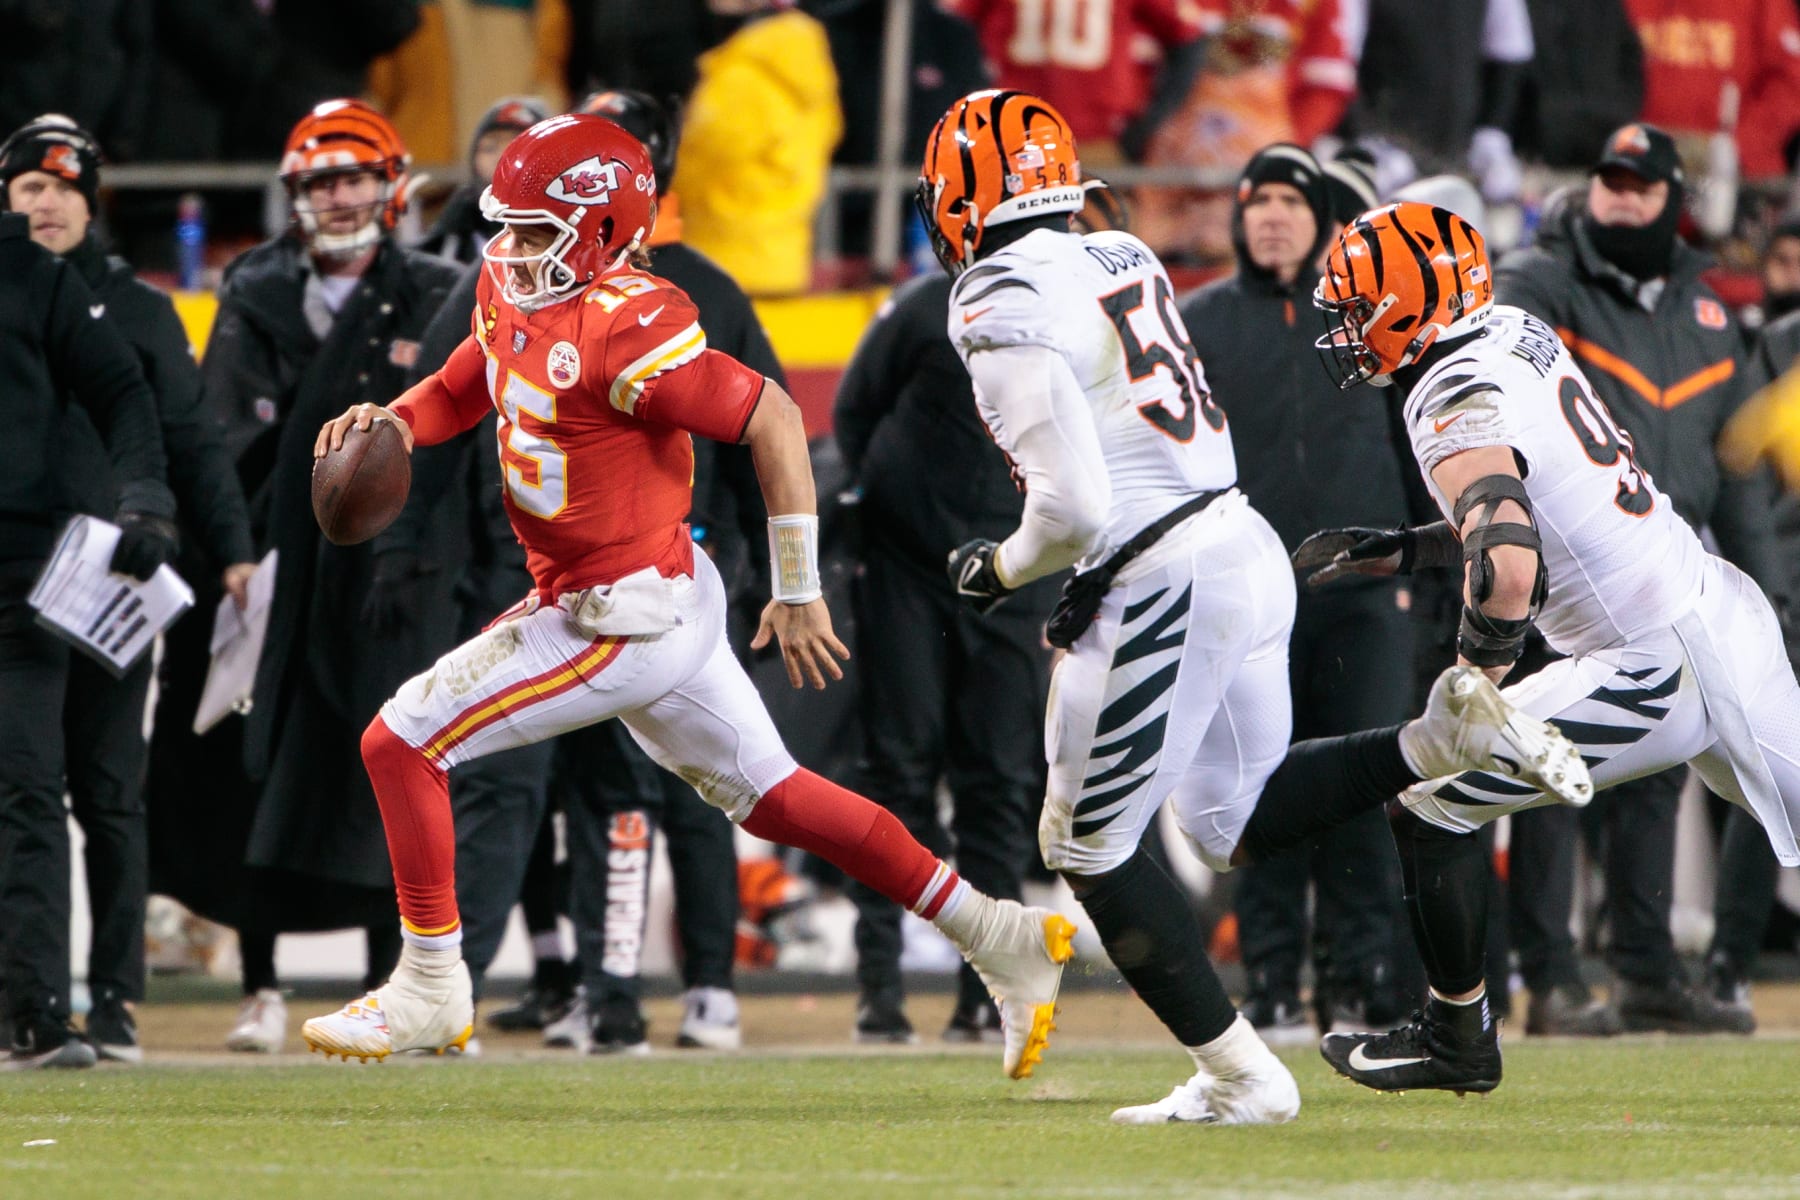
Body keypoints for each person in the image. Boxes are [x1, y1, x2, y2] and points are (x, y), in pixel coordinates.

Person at [300, 113, 1077, 1083]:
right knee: (780, 799)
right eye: (509, 226)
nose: (509, 247)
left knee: (402, 738)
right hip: (635, 594)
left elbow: (777, 418)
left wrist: (798, 588)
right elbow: (472, 380)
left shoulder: (630, 324)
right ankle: (998, 933)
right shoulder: (512, 282)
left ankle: (430, 985)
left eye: (536, 230)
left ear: (599, 230)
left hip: (621, 613)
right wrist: (402, 424)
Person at [916, 89, 1587, 1124]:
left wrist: (996, 570)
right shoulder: (1122, 253)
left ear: (962, 195)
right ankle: (1427, 743)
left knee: (1085, 847)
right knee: (1229, 819)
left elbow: (1071, 505)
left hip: (1155, 572)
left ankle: (1241, 1074)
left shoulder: (994, 293)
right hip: (1239, 540)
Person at [1296, 200, 1800, 1094]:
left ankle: (1457, 1039)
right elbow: (1547, 507)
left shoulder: (1447, 390)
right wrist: (1407, 547)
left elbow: (1511, 568)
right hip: (1717, 609)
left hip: (1654, 662)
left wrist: (1473, 681)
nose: (1345, 326)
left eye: (1359, 303)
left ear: (1410, 302)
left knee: (1428, 796)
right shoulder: (1513, 330)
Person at [153, 99, 462, 1054]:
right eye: (320, 181)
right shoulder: (256, 285)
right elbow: (219, 434)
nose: (338, 197)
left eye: (354, 177)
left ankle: (402, 983)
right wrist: (242, 549)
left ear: (392, 184)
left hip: (393, 575)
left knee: (392, 763)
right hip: (282, 566)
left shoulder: (442, 290)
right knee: (256, 771)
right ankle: (259, 985)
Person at [1495, 122, 1777, 1036]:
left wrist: (1761, 587)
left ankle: (1646, 967)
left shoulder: (1704, 312)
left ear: (1670, 199)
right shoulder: (1547, 281)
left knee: (1659, 771)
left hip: (1675, 570)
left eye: (1637, 183)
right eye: (1606, 179)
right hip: (1568, 567)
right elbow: (1503, 331)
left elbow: (1733, 466)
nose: (1618, 194)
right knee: (1553, 765)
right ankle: (1551, 973)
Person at [0, 114, 256, 1064]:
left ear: (91, 199)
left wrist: (227, 547)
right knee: (25, 786)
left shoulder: (140, 311)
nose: (47, 200)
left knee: (108, 791)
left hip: (111, 578)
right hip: (22, 574)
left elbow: (191, 436)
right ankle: (33, 996)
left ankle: (113, 997)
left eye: (64, 187)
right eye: (30, 186)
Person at [1177, 144, 1412, 1042]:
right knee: (1256, 792)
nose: (1273, 215)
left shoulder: (1369, 320)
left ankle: (1359, 982)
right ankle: (1270, 981)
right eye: (1259, 199)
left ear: (1322, 218)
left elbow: (1417, 450)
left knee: (1358, 789)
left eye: (1291, 200)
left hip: (1363, 593)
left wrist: (1423, 574)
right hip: (1247, 597)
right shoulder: (1198, 323)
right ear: (1239, 216)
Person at [832, 217, 1061, 1045]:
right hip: (910, 577)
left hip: (1010, 578)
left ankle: (988, 992)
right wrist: (891, 521)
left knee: (996, 785)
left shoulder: (1055, 319)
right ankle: (878, 989)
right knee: (896, 773)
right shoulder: (927, 307)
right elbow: (855, 414)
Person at [0, 203, 175, 1070]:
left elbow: (122, 387)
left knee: (28, 788)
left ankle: (33, 1010)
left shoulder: (34, 276)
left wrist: (146, 494)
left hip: (19, 576)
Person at [416, 97, 551, 266]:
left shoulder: (565, 214)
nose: (501, 158)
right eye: (489, 148)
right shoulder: (461, 216)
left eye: (516, 147)